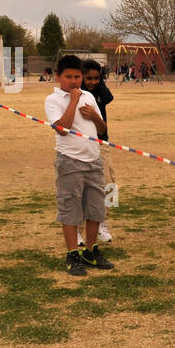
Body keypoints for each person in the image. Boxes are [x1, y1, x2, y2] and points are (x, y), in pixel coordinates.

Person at [46, 55, 114, 274]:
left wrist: (94, 115)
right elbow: (61, 129)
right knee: (70, 206)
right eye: (69, 77)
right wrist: (73, 101)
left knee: (96, 208)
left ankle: (92, 250)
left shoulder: (89, 96)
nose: (74, 81)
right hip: (70, 161)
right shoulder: (53, 100)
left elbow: (102, 129)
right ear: (58, 77)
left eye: (77, 76)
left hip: (93, 159)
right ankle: (73, 253)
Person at [80, 60, 115, 243]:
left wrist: (100, 83)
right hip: (81, 143)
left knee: (110, 185)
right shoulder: (77, 94)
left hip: (102, 142)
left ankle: (102, 222)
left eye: (96, 78)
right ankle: (78, 228)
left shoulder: (101, 92)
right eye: (89, 78)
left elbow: (109, 97)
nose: (93, 82)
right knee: (81, 187)